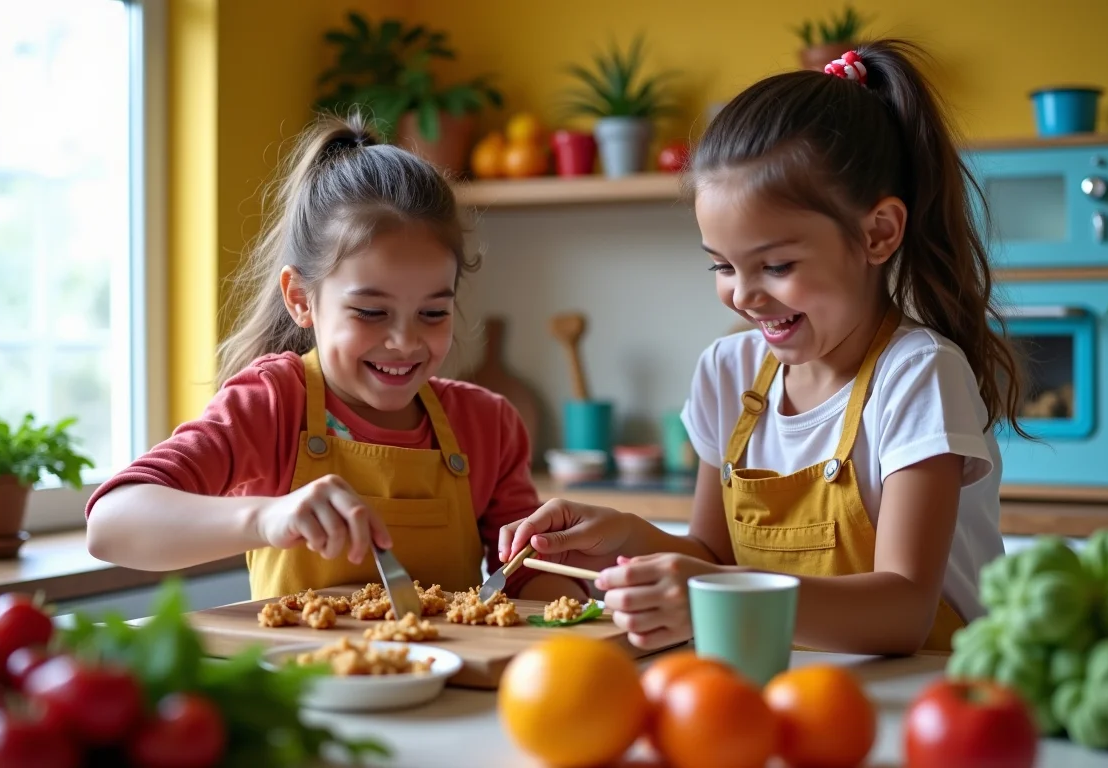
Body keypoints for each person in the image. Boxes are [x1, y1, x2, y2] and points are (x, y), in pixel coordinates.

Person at [501, 41, 1028, 655]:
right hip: (783, 690)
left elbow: (904, 610)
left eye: (776, 265)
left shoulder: (917, 375)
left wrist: (709, 590)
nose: (744, 296)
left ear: (878, 233)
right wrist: (629, 535)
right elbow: (714, 555)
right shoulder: (728, 372)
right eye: (722, 266)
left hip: (921, 697)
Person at [86, 112, 584, 603]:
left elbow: (525, 581)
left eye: (433, 312)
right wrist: (268, 518)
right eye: (371, 312)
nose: (405, 341)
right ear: (302, 299)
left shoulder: (487, 425)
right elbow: (111, 523)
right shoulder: (274, 404)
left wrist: (585, 588)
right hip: (303, 682)